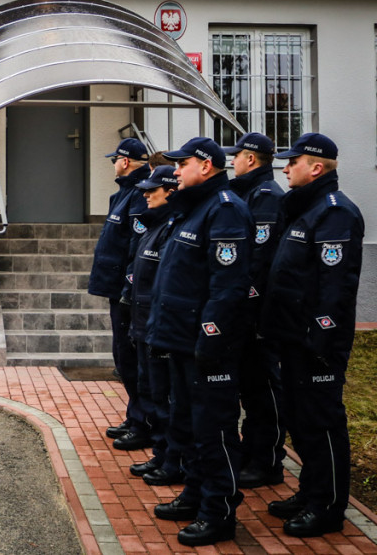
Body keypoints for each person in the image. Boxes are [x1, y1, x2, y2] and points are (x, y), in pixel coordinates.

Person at [145, 137, 253, 547]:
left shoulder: (224, 209)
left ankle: (218, 511)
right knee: (187, 425)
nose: (175, 171)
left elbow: (227, 287)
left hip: (206, 347)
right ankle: (194, 493)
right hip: (180, 340)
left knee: (214, 430)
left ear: (206, 166)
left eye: (182, 163)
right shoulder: (192, 209)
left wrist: (211, 339)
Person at [261, 133, 364, 538]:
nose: (285, 168)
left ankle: (328, 506)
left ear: (316, 167)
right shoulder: (305, 209)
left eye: (293, 161)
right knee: (300, 423)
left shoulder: (334, 213)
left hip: (316, 344)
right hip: (292, 338)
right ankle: (310, 491)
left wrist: (321, 342)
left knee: (321, 423)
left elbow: (334, 289)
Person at [223, 133, 287, 489]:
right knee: (250, 387)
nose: (233, 161)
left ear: (251, 159)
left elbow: (259, 261)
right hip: (244, 313)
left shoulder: (266, 198)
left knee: (263, 390)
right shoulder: (246, 193)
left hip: (259, 313)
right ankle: (252, 454)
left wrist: (248, 307)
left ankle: (267, 462)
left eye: (238, 156)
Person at [89, 138, 151, 450]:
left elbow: (136, 248)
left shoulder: (140, 195)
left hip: (128, 293)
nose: (114, 163)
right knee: (122, 357)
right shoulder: (123, 194)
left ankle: (143, 423)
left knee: (131, 358)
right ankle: (134, 415)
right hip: (117, 290)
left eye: (116, 159)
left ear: (125, 161)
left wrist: (128, 288)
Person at [123, 164, 183, 487]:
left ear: (170, 193)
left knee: (165, 397)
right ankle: (161, 454)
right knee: (152, 393)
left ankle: (172, 460)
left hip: (158, 327)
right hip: (144, 325)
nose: (146, 195)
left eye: (153, 190)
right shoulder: (154, 226)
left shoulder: (171, 228)